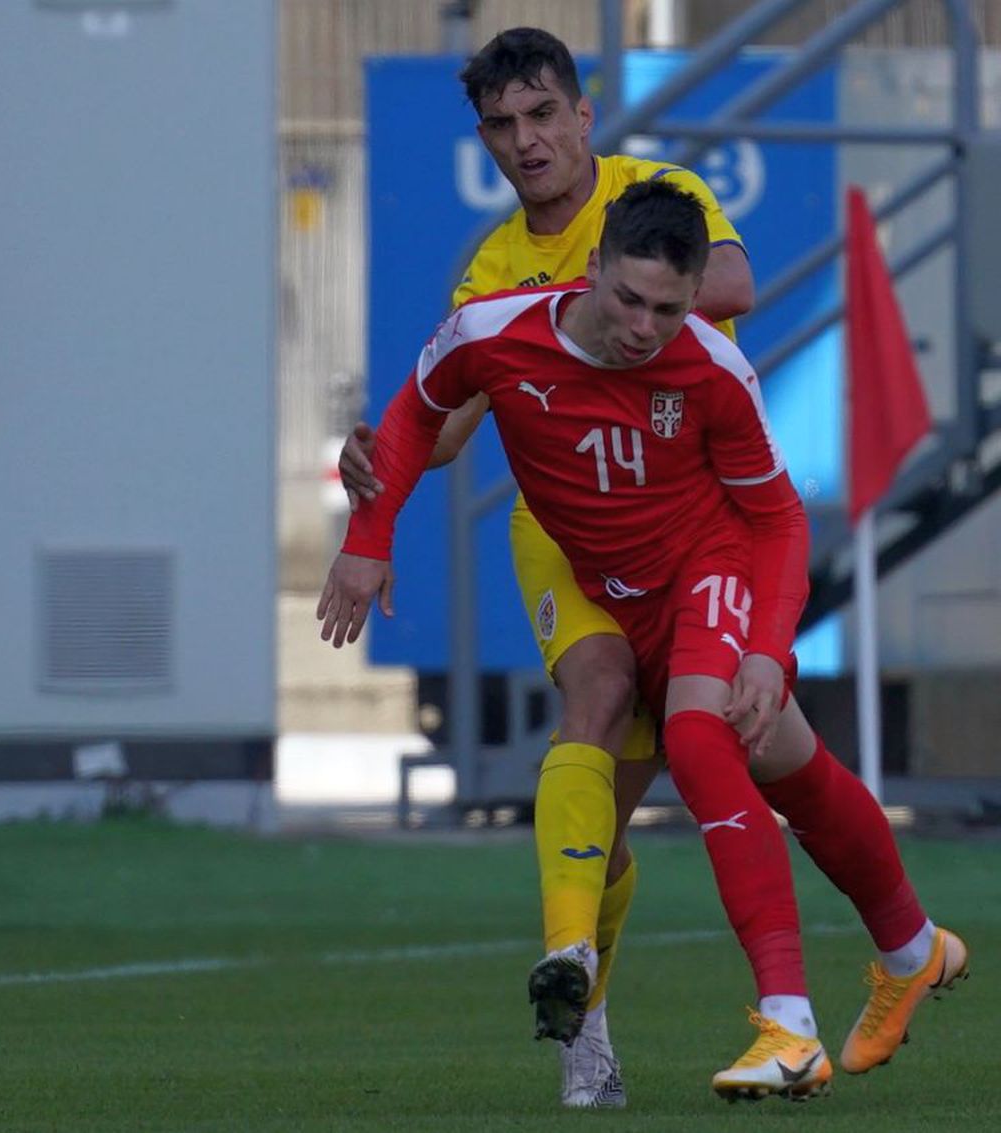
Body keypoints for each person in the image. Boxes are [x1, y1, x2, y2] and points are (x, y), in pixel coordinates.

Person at [318, 179, 968, 1103]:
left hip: (704, 569)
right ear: (590, 271)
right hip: (599, 584)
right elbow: (420, 410)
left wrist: (765, 652)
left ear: (693, 295)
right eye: (627, 299)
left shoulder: (707, 366)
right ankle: (913, 946)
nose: (642, 326)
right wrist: (365, 543)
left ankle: (790, 1026)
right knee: (787, 762)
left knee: (706, 741)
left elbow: (778, 517)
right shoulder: (495, 332)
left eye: (668, 308)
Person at [337, 27, 753, 1109]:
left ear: (582, 114)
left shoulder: (653, 195)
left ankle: (603, 987)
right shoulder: (490, 267)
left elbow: (735, 280)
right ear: (487, 139)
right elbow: (449, 421)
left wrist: (597, 305)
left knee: (612, 815)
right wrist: (375, 467)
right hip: (566, 529)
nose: (526, 142)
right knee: (597, 691)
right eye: (502, 127)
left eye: (541, 116)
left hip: (677, 522)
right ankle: (579, 1008)